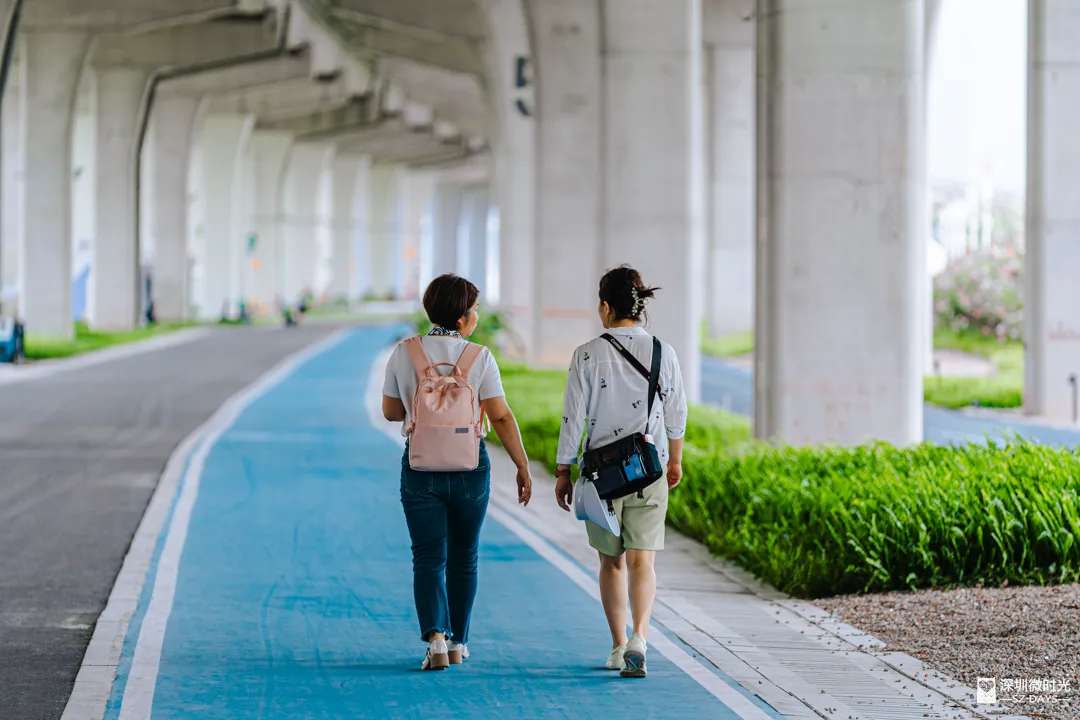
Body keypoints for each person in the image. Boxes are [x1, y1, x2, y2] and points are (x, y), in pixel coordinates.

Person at [382, 273, 533, 671]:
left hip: (420, 466)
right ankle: (459, 641)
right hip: (469, 468)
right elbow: (499, 415)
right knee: (465, 556)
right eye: (476, 309)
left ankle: (435, 637)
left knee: (428, 557)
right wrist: (521, 464)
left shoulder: (405, 352)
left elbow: (391, 412)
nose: (478, 315)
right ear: (464, 318)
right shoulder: (479, 357)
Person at [553, 265, 687, 679]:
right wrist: (675, 460)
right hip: (649, 472)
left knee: (610, 563)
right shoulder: (664, 352)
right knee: (642, 562)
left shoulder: (587, 354)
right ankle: (641, 639)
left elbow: (572, 419)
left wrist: (563, 469)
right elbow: (677, 414)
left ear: (605, 307)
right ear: (639, 307)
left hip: (602, 479)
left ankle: (616, 645)